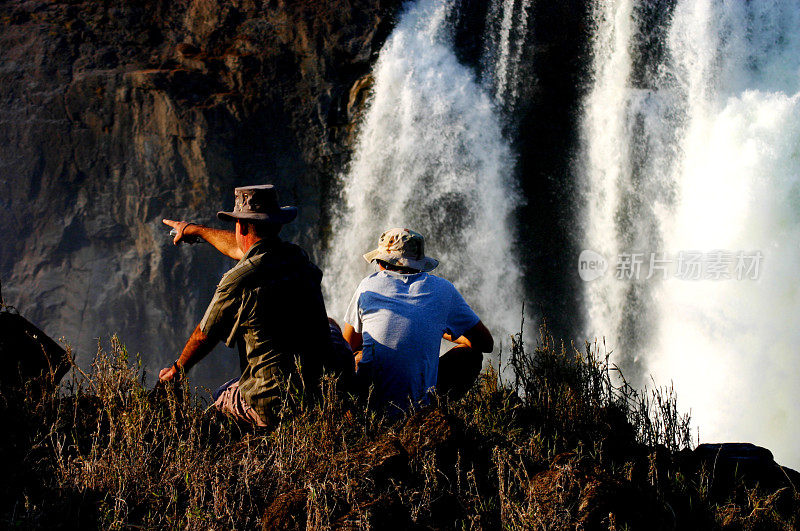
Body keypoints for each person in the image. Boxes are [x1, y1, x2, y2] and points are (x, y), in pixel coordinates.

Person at [159, 184, 332, 427]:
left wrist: (177, 370)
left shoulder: (238, 280)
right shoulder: (297, 257)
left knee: (221, 397)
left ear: (239, 226)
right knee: (332, 328)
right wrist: (196, 231)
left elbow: (203, 336)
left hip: (271, 404)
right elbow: (246, 249)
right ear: (278, 224)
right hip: (317, 395)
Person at [342, 228, 493, 416]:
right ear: (420, 264)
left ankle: (356, 416)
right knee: (470, 355)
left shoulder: (367, 285)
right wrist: (440, 327)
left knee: (355, 355)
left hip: (371, 408)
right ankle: (433, 415)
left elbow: (346, 348)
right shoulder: (443, 289)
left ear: (381, 263)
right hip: (420, 410)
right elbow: (485, 344)